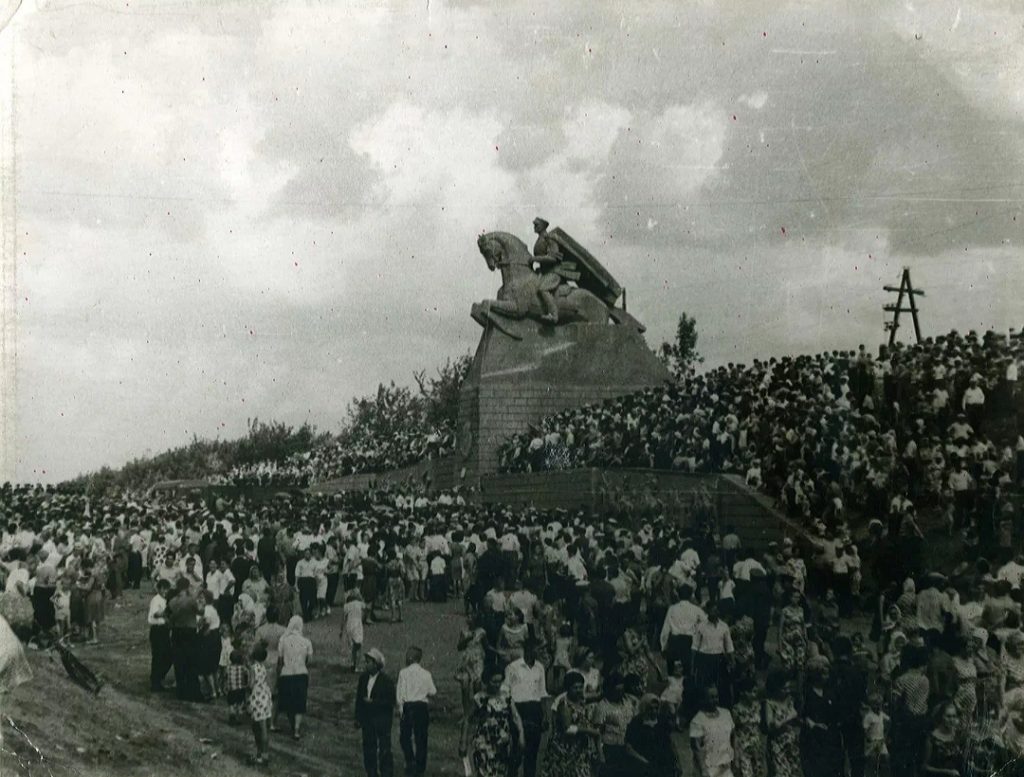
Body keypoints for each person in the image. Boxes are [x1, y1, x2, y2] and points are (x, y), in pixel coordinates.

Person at [539, 669, 600, 777]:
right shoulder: (564, 704)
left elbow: (595, 696)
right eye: (575, 688)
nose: (579, 690)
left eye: (581, 687)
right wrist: (590, 731)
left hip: (579, 749)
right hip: (564, 749)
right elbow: (567, 729)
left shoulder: (581, 700)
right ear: (568, 689)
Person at [502, 638, 547, 777]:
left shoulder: (540, 667)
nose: (541, 652)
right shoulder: (513, 667)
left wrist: (544, 715)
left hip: (535, 711)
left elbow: (542, 693)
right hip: (518, 710)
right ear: (529, 649)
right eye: (539, 649)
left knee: (532, 754)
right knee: (517, 750)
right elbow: (506, 691)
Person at [465, 671, 524, 777]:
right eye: (494, 681)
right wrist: (463, 740)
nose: (497, 684)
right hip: (484, 744)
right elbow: (467, 719)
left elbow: (516, 717)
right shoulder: (479, 698)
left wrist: (521, 736)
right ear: (487, 681)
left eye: (500, 681)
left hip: (502, 745)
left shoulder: (506, 697)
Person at [396, 645, 436, 777]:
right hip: (421, 707)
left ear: (411, 658)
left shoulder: (403, 673)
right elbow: (433, 691)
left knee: (404, 737)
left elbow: (399, 694)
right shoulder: (426, 674)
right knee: (421, 738)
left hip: (408, 706)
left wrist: (401, 709)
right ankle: (420, 767)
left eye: (407, 655)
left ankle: (410, 760)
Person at [356, 647, 396, 777]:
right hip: (367, 720)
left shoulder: (387, 681)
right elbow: (358, 699)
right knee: (369, 749)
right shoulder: (363, 678)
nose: (366, 664)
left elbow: (390, 702)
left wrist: (373, 703)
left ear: (376, 664)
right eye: (365, 662)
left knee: (384, 750)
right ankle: (371, 773)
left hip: (381, 720)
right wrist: (358, 718)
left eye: (368, 662)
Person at [624, 693, 680, 777]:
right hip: (644, 764)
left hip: (665, 764)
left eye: (656, 708)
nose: (654, 711)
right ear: (644, 708)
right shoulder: (636, 723)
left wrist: (677, 762)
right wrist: (645, 762)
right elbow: (628, 748)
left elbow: (670, 742)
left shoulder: (662, 721)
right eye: (650, 708)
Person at [277, 615, 313, 740]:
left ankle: (292, 724)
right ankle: (296, 729)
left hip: (286, 674)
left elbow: (280, 660)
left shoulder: (283, 640)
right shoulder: (307, 642)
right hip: (301, 673)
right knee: (299, 703)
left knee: (289, 703)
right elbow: (309, 660)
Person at [689, 686, 736, 777]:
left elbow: (733, 737)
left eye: (716, 696)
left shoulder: (726, 713)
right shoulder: (697, 721)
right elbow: (696, 748)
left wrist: (735, 758)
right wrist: (703, 770)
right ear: (703, 699)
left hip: (726, 767)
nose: (715, 700)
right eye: (711, 697)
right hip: (709, 769)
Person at [764, 670, 800, 777]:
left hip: (790, 741)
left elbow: (794, 713)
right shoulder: (769, 703)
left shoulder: (789, 700)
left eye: (788, 688)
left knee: (793, 771)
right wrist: (786, 719)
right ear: (775, 689)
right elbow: (770, 725)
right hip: (777, 743)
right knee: (780, 772)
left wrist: (783, 720)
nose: (787, 691)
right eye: (784, 688)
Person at [248, 643, 273, 765]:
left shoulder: (253, 668)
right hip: (265, 697)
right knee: (264, 728)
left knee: (258, 728)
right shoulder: (264, 667)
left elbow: (251, 684)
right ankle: (265, 754)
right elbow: (268, 683)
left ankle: (260, 754)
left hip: (257, 698)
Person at [922, 703, 962, 777]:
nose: (952, 720)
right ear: (941, 717)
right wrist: (947, 772)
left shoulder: (957, 735)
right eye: (948, 716)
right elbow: (925, 767)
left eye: (954, 716)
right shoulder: (932, 738)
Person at [147, 578, 172, 692]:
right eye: (163, 589)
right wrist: (167, 612)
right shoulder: (156, 600)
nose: (165, 591)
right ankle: (155, 682)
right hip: (157, 630)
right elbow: (156, 614)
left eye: (167, 589)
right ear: (159, 589)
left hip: (164, 630)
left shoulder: (166, 600)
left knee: (167, 656)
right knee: (158, 656)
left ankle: (158, 677)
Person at [342, 589, 366, 672]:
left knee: (353, 646)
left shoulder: (346, 606)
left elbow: (343, 619)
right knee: (359, 646)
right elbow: (365, 608)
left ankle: (353, 663)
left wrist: (341, 631)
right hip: (357, 625)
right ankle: (357, 666)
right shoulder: (360, 604)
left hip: (349, 625)